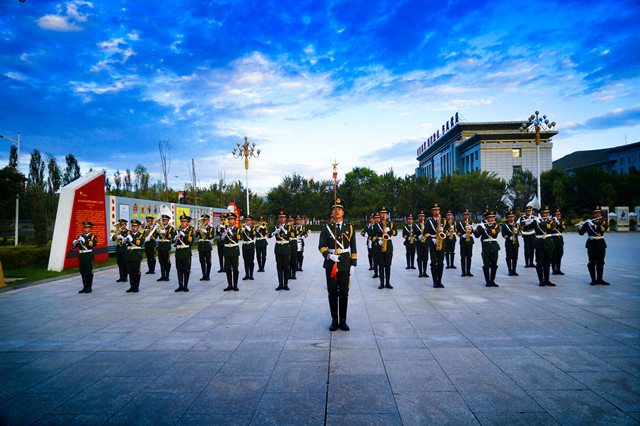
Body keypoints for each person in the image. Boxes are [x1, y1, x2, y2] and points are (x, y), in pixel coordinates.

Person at [318, 198, 357, 331]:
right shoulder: (326, 228)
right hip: (330, 264)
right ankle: (334, 320)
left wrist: (353, 264)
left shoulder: (349, 228)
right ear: (332, 212)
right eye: (334, 209)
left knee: (344, 293)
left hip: (345, 263)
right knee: (332, 293)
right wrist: (329, 255)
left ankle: (343, 320)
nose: (337, 211)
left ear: (343, 212)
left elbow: (353, 247)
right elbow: (321, 246)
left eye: (339, 209)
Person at [523, 206, 557, 287]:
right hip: (539, 244)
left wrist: (540, 223)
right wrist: (525, 223)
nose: (547, 214)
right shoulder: (535, 222)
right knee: (539, 263)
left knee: (547, 262)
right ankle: (541, 280)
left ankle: (547, 280)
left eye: (548, 213)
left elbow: (551, 228)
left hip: (548, 243)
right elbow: (525, 228)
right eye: (545, 213)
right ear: (541, 214)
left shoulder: (551, 221)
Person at [578, 206, 609, 285]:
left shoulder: (603, 221)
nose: (597, 215)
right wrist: (580, 226)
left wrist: (593, 225)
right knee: (592, 262)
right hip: (591, 244)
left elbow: (603, 229)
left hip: (601, 243)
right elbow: (581, 233)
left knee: (601, 262)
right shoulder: (587, 223)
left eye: (598, 213)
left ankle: (600, 279)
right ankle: (593, 279)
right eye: (595, 213)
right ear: (592, 215)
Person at [474, 211, 501, 287]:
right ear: (486, 218)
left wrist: (485, 228)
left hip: (494, 247)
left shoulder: (496, 225)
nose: (491, 219)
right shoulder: (482, 225)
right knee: (486, 265)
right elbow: (477, 236)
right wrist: (474, 230)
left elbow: (495, 233)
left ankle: (492, 280)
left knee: (494, 265)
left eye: (492, 217)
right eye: (489, 217)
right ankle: (487, 281)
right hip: (485, 247)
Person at [373, 206, 397, 289]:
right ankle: (381, 283)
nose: (384, 215)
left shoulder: (391, 223)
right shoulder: (376, 224)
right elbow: (372, 236)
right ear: (379, 214)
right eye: (382, 213)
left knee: (388, 265)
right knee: (381, 265)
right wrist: (377, 241)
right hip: (380, 246)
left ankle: (388, 282)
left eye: (385, 213)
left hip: (388, 245)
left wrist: (389, 231)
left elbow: (395, 233)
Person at [425, 204, 448, 288]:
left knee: (441, 263)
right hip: (433, 242)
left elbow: (447, 231)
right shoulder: (429, 221)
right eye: (435, 210)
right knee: (434, 263)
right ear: (432, 212)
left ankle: (440, 281)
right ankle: (434, 281)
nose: (437, 212)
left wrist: (444, 231)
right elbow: (425, 233)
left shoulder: (443, 221)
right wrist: (432, 239)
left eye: (438, 210)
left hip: (441, 242)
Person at [269, 211, 292, 290]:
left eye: (283, 217)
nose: (281, 219)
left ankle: (285, 284)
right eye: (280, 217)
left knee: (286, 266)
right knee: (279, 267)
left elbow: (292, 234)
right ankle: (280, 284)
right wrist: (274, 233)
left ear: (285, 219)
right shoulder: (275, 227)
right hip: (278, 248)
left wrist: (285, 231)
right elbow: (268, 235)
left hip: (286, 247)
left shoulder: (289, 226)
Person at [72, 220, 98, 293]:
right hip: (81, 256)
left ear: (90, 228)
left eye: (86, 228)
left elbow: (93, 244)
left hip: (88, 255)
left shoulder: (93, 236)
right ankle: (84, 287)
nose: (85, 229)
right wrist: (74, 243)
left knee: (88, 271)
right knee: (82, 271)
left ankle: (89, 287)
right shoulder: (80, 236)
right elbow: (77, 245)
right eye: (84, 228)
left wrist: (84, 240)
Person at [220, 213, 242, 291]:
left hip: (234, 250)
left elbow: (239, 237)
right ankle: (229, 284)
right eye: (229, 219)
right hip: (227, 250)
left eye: (231, 219)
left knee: (235, 268)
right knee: (228, 268)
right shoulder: (224, 228)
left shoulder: (237, 229)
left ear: (234, 220)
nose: (230, 221)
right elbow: (221, 239)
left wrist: (231, 233)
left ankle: (235, 285)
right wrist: (224, 235)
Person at [174, 214, 195, 292]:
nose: (182, 223)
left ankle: (185, 285)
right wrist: (175, 237)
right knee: (179, 269)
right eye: (181, 221)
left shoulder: (190, 231)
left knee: (186, 269)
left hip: (186, 252)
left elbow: (191, 240)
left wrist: (184, 235)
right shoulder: (177, 230)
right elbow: (172, 240)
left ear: (187, 223)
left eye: (184, 222)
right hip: (179, 251)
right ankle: (180, 285)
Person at [124, 219, 145, 293]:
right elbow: (125, 244)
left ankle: (136, 286)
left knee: (136, 271)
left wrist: (132, 239)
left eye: (135, 226)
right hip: (129, 254)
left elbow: (140, 243)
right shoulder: (129, 234)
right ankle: (132, 286)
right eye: (132, 226)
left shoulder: (141, 235)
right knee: (130, 271)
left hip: (136, 255)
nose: (133, 227)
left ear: (138, 227)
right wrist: (124, 239)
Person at [155, 214, 176, 282]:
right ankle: (162, 275)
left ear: (168, 221)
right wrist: (155, 230)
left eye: (165, 220)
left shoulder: (171, 228)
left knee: (166, 261)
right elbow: (155, 236)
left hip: (166, 245)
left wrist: (165, 233)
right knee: (161, 261)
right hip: (161, 244)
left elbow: (171, 237)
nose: (164, 221)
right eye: (163, 220)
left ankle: (167, 275)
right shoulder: (160, 227)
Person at [455, 209, 474, 277]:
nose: (466, 216)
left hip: (470, 241)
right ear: (462, 215)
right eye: (465, 215)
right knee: (463, 256)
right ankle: (463, 271)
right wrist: (462, 235)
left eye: (467, 215)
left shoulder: (471, 223)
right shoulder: (459, 223)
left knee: (469, 256)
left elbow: (474, 232)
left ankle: (468, 271)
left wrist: (474, 229)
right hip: (463, 240)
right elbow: (457, 231)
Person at [501, 211, 520, 276]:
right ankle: (509, 270)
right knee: (509, 257)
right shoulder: (505, 226)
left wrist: (518, 233)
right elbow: (503, 234)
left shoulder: (517, 225)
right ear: (507, 218)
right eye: (510, 217)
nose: (511, 218)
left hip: (516, 243)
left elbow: (520, 232)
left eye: (512, 217)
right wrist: (509, 237)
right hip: (509, 243)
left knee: (515, 257)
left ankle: (514, 270)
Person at [197, 214, 214, 281]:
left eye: (205, 220)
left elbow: (211, 236)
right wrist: (198, 230)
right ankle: (203, 274)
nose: (204, 221)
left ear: (208, 220)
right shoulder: (200, 227)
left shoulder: (211, 228)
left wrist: (206, 232)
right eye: (203, 220)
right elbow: (195, 235)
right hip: (201, 245)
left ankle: (208, 275)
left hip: (207, 245)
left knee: (208, 261)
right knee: (202, 261)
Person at [241, 214, 256, 280]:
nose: (247, 221)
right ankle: (247, 274)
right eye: (246, 220)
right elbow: (240, 236)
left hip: (251, 245)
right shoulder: (243, 227)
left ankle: (251, 274)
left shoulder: (253, 227)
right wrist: (242, 230)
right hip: (245, 245)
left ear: (251, 221)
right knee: (245, 260)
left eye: (249, 220)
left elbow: (254, 233)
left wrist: (248, 228)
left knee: (251, 260)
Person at [551, 209, 566, 275]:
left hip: (560, 239)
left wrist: (558, 222)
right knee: (554, 255)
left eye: (559, 214)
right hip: (553, 239)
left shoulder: (561, 221)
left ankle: (558, 269)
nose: (558, 216)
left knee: (560, 254)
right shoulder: (551, 222)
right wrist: (554, 221)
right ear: (554, 215)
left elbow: (563, 228)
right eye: (557, 215)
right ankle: (554, 269)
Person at [415, 210, 430, 278]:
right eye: (420, 216)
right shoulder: (416, 225)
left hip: (426, 243)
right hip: (419, 243)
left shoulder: (427, 225)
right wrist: (417, 236)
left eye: (423, 216)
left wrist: (426, 235)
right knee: (420, 257)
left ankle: (425, 272)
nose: (422, 218)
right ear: (418, 217)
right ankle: (420, 272)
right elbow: (413, 234)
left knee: (425, 258)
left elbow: (429, 232)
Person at [287, 215, 299, 280]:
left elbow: (297, 233)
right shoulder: (285, 228)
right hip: (288, 245)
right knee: (288, 261)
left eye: (292, 221)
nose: (290, 222)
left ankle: (293, 274)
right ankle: (288, 274)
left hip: (294, 246)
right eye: (289, 221)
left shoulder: (295, 228)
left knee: (294, 261)